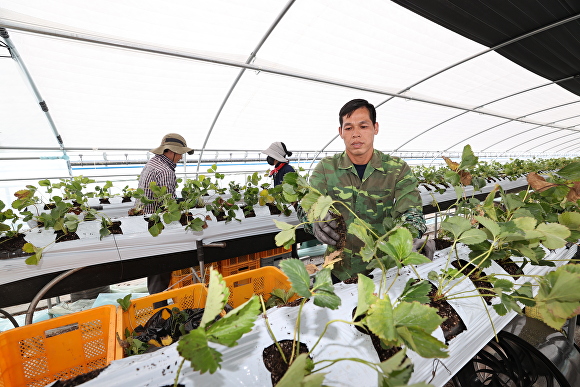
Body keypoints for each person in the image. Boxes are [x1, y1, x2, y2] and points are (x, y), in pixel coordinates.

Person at [308, 99, 434, 282]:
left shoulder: (397, 169)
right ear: (340, 132)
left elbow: (411, 211)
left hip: (384, 270)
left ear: (375, 128)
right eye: (349, 128)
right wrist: (314, 218)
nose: (356, 134)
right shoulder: (326, 168)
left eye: (363, 126)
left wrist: (409, 237)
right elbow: (309, 203)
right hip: (338, 269)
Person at [134, 133, 194, 301]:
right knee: (161, 267)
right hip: (158, 224)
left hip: (146, 221)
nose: (181, 157)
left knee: (154, 268)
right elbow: (169, 206)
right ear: (171, 151)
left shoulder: (153, 163)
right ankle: (158, 311)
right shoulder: (166, 171)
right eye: (180, 153)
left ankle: (156, 303)